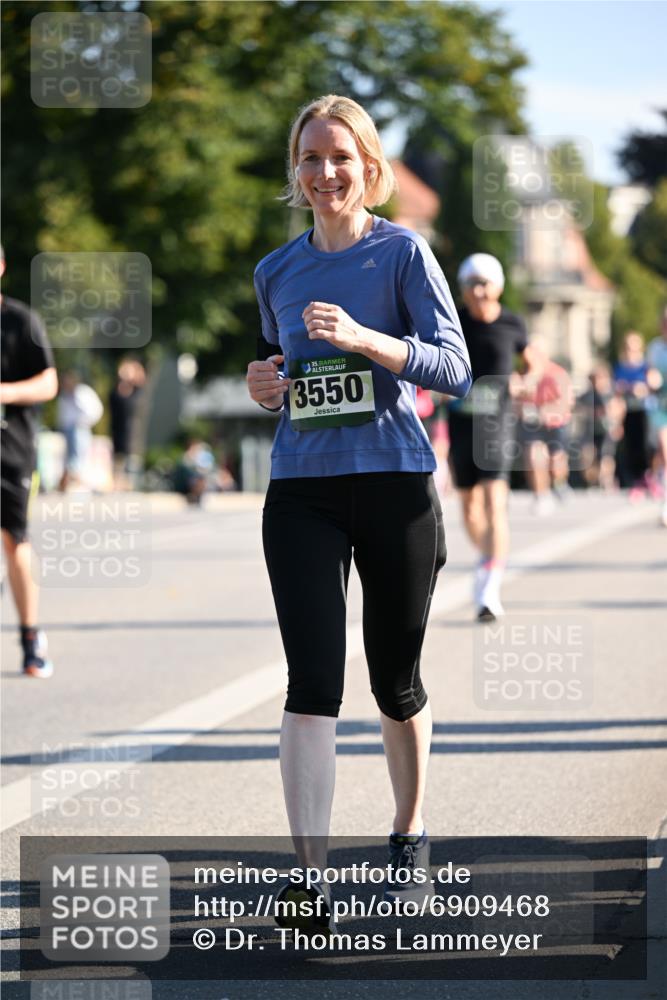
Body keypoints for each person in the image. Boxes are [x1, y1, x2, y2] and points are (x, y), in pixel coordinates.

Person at [246, 95, 471, 932]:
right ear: (294, 170)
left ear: (368, 166)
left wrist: (366, 339)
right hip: (301, 488)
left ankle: (408, 833)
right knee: (311, 684)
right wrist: (263, 385)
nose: (325, 172)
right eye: (309, 157)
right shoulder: (275, 270)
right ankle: (310, 880)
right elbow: (282, 371)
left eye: (340, 156)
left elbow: (455, 369)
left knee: (393, 682)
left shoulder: (401, 253)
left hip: (393, 484)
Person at [447, 253, 528, 622]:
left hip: (497, 423)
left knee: (495, 501)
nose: (478, 291)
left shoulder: (512, 323)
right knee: (469, 508)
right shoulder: (454, 322)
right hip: (461, 421)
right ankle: (488, 556)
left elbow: (532, 360)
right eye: (470, 284)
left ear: (498, 287)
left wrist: (525, 380)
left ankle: (490, 586)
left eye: (484, 283)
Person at [0, 245, 58, 678]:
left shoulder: (21, 321)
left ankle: (30, 638)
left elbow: (49, 382)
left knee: (14, 541)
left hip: (11, 450)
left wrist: (5, 392)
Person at [516, 339, 574, 515]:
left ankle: (559, 483)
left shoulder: (557, 373)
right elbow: (516, 398)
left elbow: (566, 402)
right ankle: (541, 495)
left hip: (555, 424)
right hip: (533, 425)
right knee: (533, 456)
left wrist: (543, 411)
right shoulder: (523, 373)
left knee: (556, 463)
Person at [613, 331, 652, 500]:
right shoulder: (621, 367)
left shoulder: (646, 365)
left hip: (645, 410)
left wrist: (641, 388)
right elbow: (616, 390)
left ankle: (650, 477)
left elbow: (652, 385)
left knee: (647, 445)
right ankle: (637, 481)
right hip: (628, 411)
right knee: (631, 447)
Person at [56, 370, 104, 492]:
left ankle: (77, 482)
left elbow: (94, 410)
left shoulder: (82, 392)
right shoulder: (65, 395)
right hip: (68, 429)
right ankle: (69, 482)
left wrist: (83, 422)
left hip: (80, 428)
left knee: (78, 457)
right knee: (69, 457)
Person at [109, 358, 145, 490]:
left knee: (132, 466)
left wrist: (133, 373)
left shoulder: (137, 394)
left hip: (132, 436)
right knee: (118, 464)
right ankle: (117, 485)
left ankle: (129, 486)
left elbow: (140, 381)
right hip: (118, 435)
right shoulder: (115, 394)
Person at [646, 306, 667, 526]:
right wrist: (652, 380)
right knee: (664, 450)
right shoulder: (655, 348)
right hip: (662, 407)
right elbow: (651, 373)